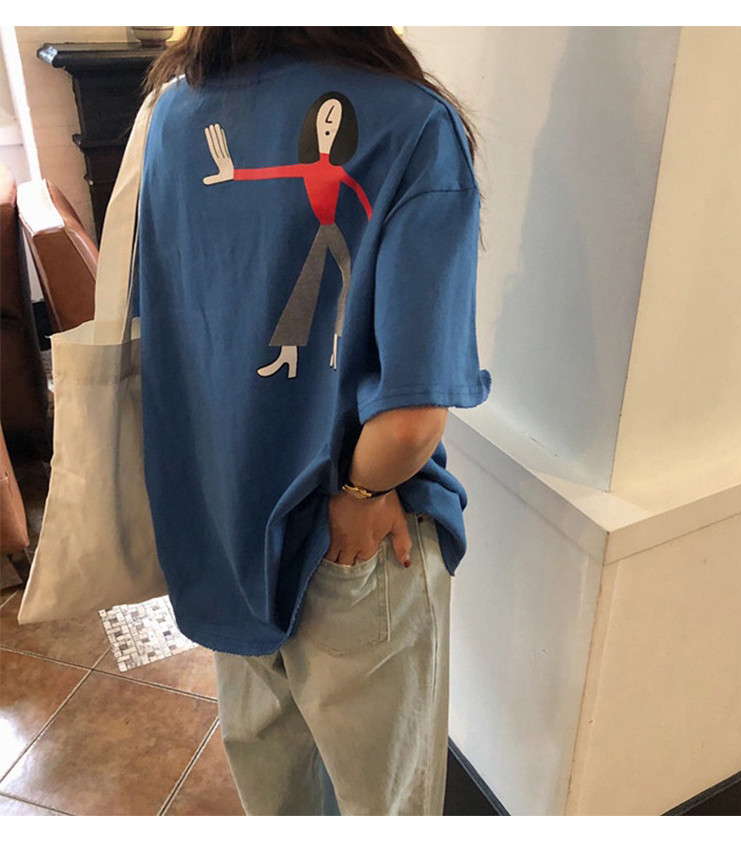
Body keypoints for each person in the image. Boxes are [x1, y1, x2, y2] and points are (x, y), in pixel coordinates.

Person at [136, 26, 492, 816]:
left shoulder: (172, 115)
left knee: (279, 805)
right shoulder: (415, 125)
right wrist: (362, 492)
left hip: (226, 527)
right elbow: (410, 422)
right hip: (351, 534)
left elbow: (175, 327)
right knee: (386, 811)